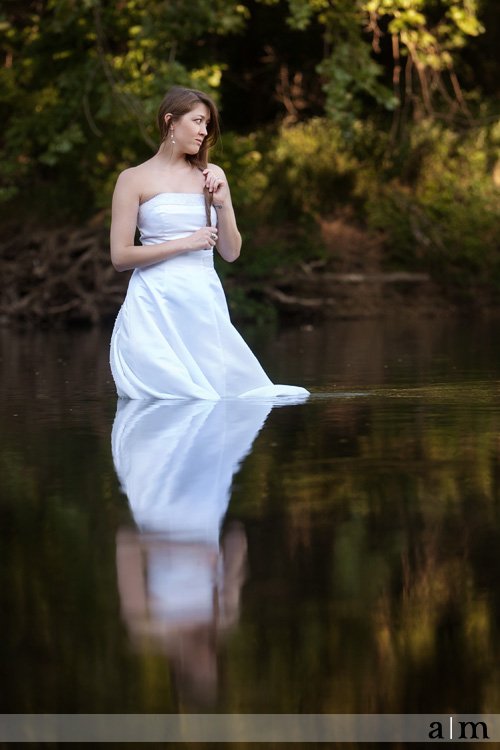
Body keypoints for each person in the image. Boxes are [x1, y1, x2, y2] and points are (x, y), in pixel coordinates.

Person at [109, 85, 309, 400]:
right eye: (198, 121)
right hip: (154, 303)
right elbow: (120, 256)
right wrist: (185, 243)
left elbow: (230, 252)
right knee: (170, 397)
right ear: (170, 121)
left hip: (201, 299)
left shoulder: (211, 174)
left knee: (223, 396)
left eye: (207, 125)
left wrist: (223, 203)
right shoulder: (133, 179)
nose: (204, 132)